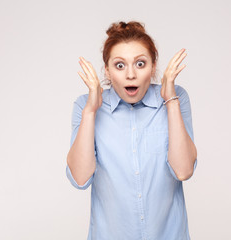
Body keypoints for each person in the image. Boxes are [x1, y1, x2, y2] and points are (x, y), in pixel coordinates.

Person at [66, 21, 198, 240]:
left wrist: (171, 101)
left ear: (153, 66)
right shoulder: (85, 106)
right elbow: (80, 178)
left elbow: (183, 170)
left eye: (140, 64)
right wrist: (90, 112)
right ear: (106, 71)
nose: (130, 75)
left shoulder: (176, 98)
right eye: (119, 65)